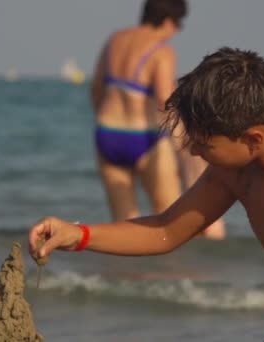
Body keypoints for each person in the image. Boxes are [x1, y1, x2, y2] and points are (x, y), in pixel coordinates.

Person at [31, 47, 264, 341]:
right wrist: (78, 234)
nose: (196, 153)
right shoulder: (235, 168)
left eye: (205, 145)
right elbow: (166, 229)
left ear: (252, 139)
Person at [89, 0, 226, 239]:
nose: (176, 32)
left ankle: (128, 276)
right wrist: (185, 138)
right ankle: (168, 275)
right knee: (168, 221)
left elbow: (96, 90)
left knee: (124, 220)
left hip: (107, 134)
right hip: (144, 138)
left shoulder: (115, 40)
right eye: (178, 24)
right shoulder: (162, 51)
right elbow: (165, 100)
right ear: (167, 21)